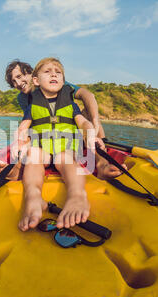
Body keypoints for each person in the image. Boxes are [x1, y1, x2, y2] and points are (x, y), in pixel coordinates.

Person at [0, 59, 125, 180]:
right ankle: (16, 170)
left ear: (32, 74)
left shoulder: (55, 82)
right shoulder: (22, 98)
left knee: (88, 120)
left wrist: (95, 122)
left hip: (72, 130)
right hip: (47, 137)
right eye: (13, 81)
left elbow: (87, 95)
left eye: (19, 76)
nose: (18, 83)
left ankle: (102, 163)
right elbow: (31, 124)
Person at [16, 57, 105, 232]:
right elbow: (23, 127)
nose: (54, 74)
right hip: (43, 148)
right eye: (47, 72)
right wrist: (19, 142)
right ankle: (33, 197)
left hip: (66, 148)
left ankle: (77, 195)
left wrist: (91, 132)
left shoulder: (71, 105)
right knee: (33, 155)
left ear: (63, 81)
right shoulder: (31, 105)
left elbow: (83, 123)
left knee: (64, 157)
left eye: (58, 72)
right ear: (36, 80)